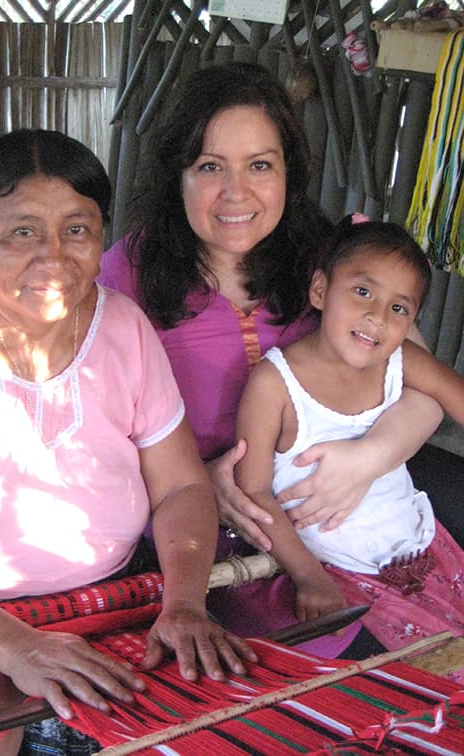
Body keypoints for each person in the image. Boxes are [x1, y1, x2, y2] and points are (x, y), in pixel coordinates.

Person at [0, 129, 255, 756]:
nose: (53, 258)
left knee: (203, 712)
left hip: (117, 599)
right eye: (21, 232)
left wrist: (184, 604)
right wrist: (17, 648)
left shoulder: (123, 327)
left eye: (77, 230)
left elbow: (183, 484)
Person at [98, 62, 443, 646]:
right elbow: (99, 435)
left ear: (289, 171)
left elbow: (420, 372)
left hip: (362, 505)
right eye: (210, 167)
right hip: (215, 537)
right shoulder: (127, 275)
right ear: (176, 174)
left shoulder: (334, 253)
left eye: (260, 165)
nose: (237, 193)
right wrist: (195, 483)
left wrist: (371, 458)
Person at [235, 216, 464, 667]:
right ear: (320, 291)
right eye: (363, 292)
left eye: (399, 309)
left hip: (421, 545)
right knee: (433, 682)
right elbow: (253, 490)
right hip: (343, 571)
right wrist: (307, 575)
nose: (378, 317)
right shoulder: (275, 385)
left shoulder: (399, 359)